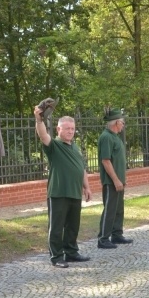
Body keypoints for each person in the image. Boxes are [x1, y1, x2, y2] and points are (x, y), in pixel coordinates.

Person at [34, 106, 92, 268]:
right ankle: (57, 257)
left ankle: (71, 252)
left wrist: (86, 187)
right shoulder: (54, 145)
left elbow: (82, 168)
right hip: (58, 192)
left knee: (73, 226)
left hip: (75, 192)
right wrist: (39, 119)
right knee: (56, 227)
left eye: (72, 129)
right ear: (58, 129)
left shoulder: (75, 147)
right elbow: (43, 135)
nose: (70, 131)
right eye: (67, 128)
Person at [96, 109, 133, 249]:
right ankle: (103, 238)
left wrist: (121, 179)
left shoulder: (115, 137)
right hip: (111, 181)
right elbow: (106, 161)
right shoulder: (106, 137)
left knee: (118, 209)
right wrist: (116, 180)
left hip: (118, 180)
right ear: (116, 122)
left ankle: (117, 234)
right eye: (122, 122)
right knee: (110, 209)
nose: (123, 125)